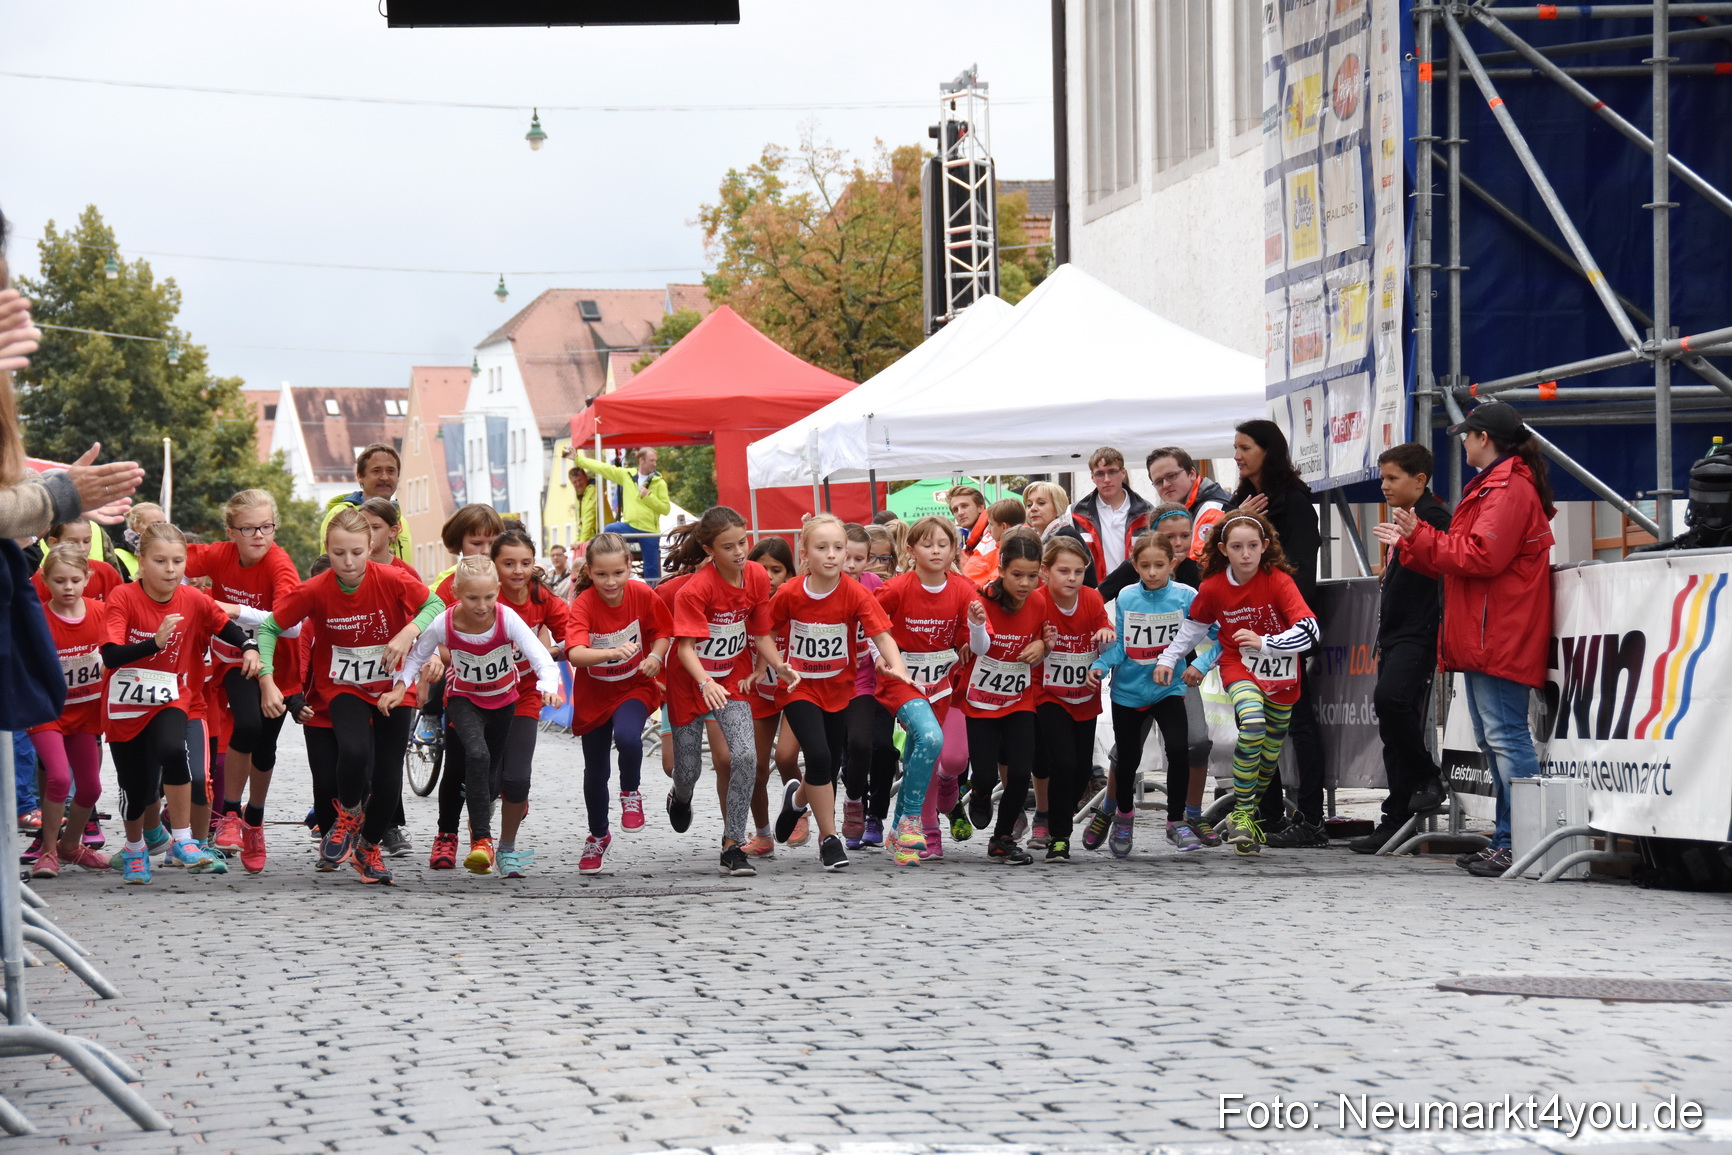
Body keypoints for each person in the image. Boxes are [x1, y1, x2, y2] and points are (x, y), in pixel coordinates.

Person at [1372, 401, 1555, 878]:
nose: (1463, 442)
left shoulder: (1510, 488)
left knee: (1506, 738)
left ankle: (1521, 842)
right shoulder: (1497, 484)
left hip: (1497, 630)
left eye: (1467, 435)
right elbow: (1463, 557)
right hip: (1484, 631)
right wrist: (1416, 541)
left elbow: (1482, 557)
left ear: (1483, 438)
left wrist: (1420, 536)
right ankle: (1508, 840)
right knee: (1496, 740)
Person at [258, 509, 443, 885]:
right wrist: (267, 679)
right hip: (342, 687)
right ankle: (349, 815)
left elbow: (436, 606)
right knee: (355, 752)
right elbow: (269, 627)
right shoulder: (314, 589)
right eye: (339, 553)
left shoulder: (392, 579)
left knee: (389, 779)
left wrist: (409, 632)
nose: (348, 562)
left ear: (371, 546)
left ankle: (369, 848)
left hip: (393, 686)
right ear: (327, 548)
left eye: (357, 552)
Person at [386, 555, 562, 876]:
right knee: (474, 757)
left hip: (503, 703)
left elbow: (540, 656)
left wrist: (549, 684)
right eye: (471, 598)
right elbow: (416, 657)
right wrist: (402, 686)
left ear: (497, 590)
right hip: (463, 701)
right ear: (456, 593)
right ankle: (475, 840)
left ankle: (481, 829)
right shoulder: (444, 622)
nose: (481, 606)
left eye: (488, 597)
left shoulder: (506, 618)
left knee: (490, 775)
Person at [1157, 511, 1319, 857]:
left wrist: (1266, 643)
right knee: (1253, 723)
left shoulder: (1278, 581)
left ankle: (1244, 816)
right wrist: (1169, 659)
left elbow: (1310, 631)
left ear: (1265, 547)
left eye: (1252, 546)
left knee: (1269, 756)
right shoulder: (1214, 587)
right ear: (1223, 549)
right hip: (1238, 665)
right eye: (1237, 547)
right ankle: (1244, 815)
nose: (1245, 554)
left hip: (1282, 674)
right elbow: (1193, 629)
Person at [103, 523, 257, 882]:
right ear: (141, 562)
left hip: (171, 696)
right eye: (160, 561)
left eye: (177, 561)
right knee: (136, 787)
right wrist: (154, 644)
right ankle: (135, 848)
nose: (170, 569)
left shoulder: (192, 599)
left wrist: (248, 647)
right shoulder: (122, 598)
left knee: (174, 751)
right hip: (126, 705)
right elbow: (110, 656)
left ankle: (184, 839)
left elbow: (224, 625)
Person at [768, 515, 915, 870]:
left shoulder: (856, 593)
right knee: (818, 757)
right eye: (822, 548)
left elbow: (882, 635)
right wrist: (776, 663)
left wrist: (898, 668)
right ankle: (829, 839)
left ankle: (797, 799)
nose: (832, 556)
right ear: (804, 553)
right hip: (799, 687)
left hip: (840, 689)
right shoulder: (790, 592)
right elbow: (764, 632)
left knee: (830, 765)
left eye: (838, 548)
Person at [664, 506, 790, 876]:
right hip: (691, 684)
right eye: (728, 547)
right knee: (686, 770)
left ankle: (733, 843)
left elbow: (760, 632)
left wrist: (777, 665)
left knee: (746, 757)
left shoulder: (755, 576)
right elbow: (685, 648)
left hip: (731, 681)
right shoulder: (696, 590)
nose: (739, 552)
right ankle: (680, 796)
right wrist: (705, 682)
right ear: (708, 550)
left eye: (742, 543)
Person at [188, 490, 301, 874]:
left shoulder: (279, 565)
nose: (259, 535)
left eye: (267, 527)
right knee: (247, 726)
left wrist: (237, 609)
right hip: (234, 659)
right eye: (249, 528)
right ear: (230, 531)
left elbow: (290, 624)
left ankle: (255, 820)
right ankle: (231, 814)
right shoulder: (218, 554)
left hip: (276, 665)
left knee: (266, 747)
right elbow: (171, 560)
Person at [1351, 445, 1454, 854]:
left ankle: (1430, 777)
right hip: (1395, 632)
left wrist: (1408, 547)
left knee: (1393, 701)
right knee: (1393, 722)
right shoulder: (1406, 519)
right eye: (1383, 478)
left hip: (1421, 631)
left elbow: (1446, 566)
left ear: (1419, 480)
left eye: (1392, 478)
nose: (1384, 486)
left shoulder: (1434, 518)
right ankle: (1395, 819)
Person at [1090, 531, 1219, 859]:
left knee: (1179, 748)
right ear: (1134, 565)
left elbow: (1221, 635)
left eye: (1159, 565)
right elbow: (1122, 645)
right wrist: (1102, 664)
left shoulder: (1187, 596)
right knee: (1127, 759)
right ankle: (1124, 816)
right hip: (1128, 693)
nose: (1151, 572)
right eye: (1144, 565)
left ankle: (1176, 822)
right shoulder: (1127, 597)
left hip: (1169, 689)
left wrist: (1201, 664)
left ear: (1172, 563)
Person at [1230, 420, 1328, 847]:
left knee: (1297, 721)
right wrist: (1238, 520)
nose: (1236, 455)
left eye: (1244, 447)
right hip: (1243, 629)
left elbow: (1301, 571)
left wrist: (1286, 627)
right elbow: (1217, 561)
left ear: (1268, 451)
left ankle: (1311, 818)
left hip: (1282, 630)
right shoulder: (1240, 501)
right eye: (1234, 447)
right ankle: (1266, 814)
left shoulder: (1295, 503)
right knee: (1253, 721)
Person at [566, 531, 673, 874]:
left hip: (634, 687)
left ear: (630, 566)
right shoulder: (583, 603)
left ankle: (631, 792)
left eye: (618, 573)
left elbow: (663, 632)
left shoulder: (641, 593)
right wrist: (611, 652)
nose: (610, 582)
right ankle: (598, 836)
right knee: (595, 772)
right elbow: (576, 654)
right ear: (590, 571)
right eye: (601, 574)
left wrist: (656, 656)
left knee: (628, 737)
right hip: (595, 694)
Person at [959, 528, 1051, 866]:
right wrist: (977, 627)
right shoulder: (983, 601)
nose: (1025, 583)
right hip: (981, 700)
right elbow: (980, 647)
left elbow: (1043, 641)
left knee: (1020, 772)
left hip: (1018, 700)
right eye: (1016, 575)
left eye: (1031, 575)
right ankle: (980, 792)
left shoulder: (1040, 600)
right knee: (984, 774)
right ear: (1001, 570)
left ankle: (1002, 839)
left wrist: (1042, 645)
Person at [482, 530, 571, 876]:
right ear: (494, 565)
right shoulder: (485, 595)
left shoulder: (541, 597)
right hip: (483, 696)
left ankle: (506, 848)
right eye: (508, 563)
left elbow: (572, 635)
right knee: (488, 779)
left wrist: (552, 653)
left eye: (525, 562)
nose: (518, 571)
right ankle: (481, 836)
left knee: (517, 779)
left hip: (524, 695)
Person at [25, 545, 113, 877]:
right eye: (59, 580)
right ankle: (47, 851)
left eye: (75, 580)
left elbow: (117, 651)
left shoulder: (101, 613)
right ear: (45, 580)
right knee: (59, 778)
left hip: (87, 714)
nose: (68, 587)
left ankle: (71, 846)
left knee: (91, 788)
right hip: (48, 713)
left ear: (88, 578)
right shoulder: (37, 618)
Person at [1030, 534, 1114, 864]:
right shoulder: (1037, 601)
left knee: (1080, 772)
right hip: (1048, 695)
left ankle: (1054, 823)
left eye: (1078, 572)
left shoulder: (1092, 599)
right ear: (1045, 572)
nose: (1072, 579)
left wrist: (1106, 639)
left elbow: (1103, 634)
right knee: (1062, 762)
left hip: (1084, 696)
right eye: (1064, 571)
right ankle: (1060, 837)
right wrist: (1043, 647)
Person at [841, 524, 897, 850]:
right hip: (836, 682)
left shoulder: (876, 585)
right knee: (852, 752)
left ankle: (875, 815)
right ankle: (855, 805)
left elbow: (886, 630)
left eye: (857, 558)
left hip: (873, 680)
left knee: (880, 747)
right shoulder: (822, 585)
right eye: (844, 555)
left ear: (868, 560)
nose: (849, 564)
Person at [742, 536, 799, 856]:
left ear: (789, 574)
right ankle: (762, 835)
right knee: (755, 768)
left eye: (776, 570)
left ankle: (798, 807)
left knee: (786, 757)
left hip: (794, 691)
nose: (768, 576)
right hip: (759, 693)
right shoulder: (743, 604)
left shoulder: (797, 603)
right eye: (761, 569)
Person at [571, 446, 671, 580]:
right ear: (641, 460)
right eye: (652, 460)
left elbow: (665, 509)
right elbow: (602, 468)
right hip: (630, 527)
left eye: (655, 461)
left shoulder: (660, 483)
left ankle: (652, 595)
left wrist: (649, 496)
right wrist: (577, 459)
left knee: (651, 569)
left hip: (650, 531)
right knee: (609, 530)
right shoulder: (627, 475)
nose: (655, 464)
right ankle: (613, 565)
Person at [1068, 447, 1153, 585]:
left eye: (1112, 472)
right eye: (1100, 474)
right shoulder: (1074, 513)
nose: (1107, 479)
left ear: (1123, 473)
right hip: (1093, 594)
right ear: (1092, 477)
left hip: (1137, 594)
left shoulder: (1148, 512)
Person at [318, 443, 410, 563]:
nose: (385, 477)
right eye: (376, 471)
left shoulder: (402, 522)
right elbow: (328, 566)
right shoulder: (342, 514)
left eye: (391, 471)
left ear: (398, 476)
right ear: (360, 476)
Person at [1146, 446, 1233, 559]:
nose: (1165, 485)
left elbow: (1200, 561)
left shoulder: (1211, 509)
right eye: (1158, 482)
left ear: (1192, 473)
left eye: (1171, 476)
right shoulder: (1191, 506)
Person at [32, 520, 123, 600]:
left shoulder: (106, 572)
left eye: (86, 541)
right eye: (72, 542)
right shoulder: (40, 579)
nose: (82, 548)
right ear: (54, 543)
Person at [961, 498, 1026, 586]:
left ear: (1004, 527)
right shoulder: (1007, 547)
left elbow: (994, 586)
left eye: (991, 524)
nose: (988, 529)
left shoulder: (1011, 552)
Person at [947, 485, 990, 556]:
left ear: (980, 507)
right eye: (955, 510)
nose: (960, 513)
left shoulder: (995, 535)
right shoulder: (970, 542)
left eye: (964, 506)